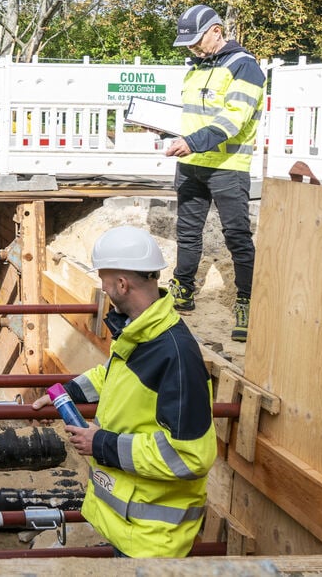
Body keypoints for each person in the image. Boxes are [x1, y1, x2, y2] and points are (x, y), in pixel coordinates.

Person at [33, 226, 216, 558]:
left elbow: (190, 455)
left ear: (121, 284)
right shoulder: (142, 331)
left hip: (154, 540)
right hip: (132, 524)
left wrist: (100, 442)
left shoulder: (175, 354)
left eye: (104, 278)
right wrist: (69, 392)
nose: (101, 287)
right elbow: (115, 375)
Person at [164, 4, 266, 342]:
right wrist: (167, 132)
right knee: (188, 232)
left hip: (227, 167)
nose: (192, 48)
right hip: (192, 164)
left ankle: (247, 302)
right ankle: (183, 290)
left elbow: (233, 120)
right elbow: (194, 115)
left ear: (217, 31)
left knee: (237, 236)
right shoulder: (195, 67)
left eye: (196, 41)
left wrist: (192, 142)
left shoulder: (244, 67)